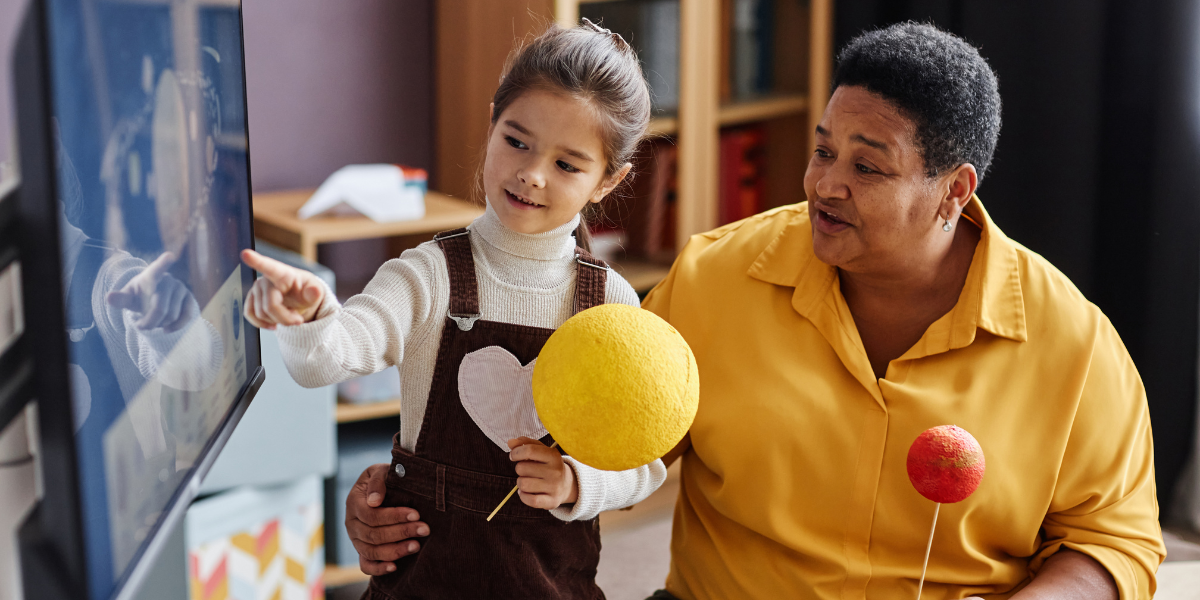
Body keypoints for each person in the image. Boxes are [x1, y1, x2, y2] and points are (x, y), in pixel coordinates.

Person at [346, 22, 1166, 599]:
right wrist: (407, 504)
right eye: (821, 149)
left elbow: (1114, 542)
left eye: (867, 167)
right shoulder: (712, 279)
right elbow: (583, 430)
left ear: (954, 192)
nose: (823, 183)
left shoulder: (1075, 343)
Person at [240, 20, 668, 599]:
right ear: (492, 121)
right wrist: (312, 315)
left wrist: (574, 481)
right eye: (516, 140)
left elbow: (643, 464)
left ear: (606, 181)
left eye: (568, 165)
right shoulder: (428, 274)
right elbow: (326, 361)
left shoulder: (611, 303)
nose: (532, 173)